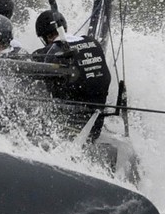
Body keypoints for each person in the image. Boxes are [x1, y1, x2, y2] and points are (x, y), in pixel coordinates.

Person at [31, 9, 111, 140]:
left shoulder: (49, 52)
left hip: (69, 128)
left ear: (46, 37)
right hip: (96, 126)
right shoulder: (93, 42)